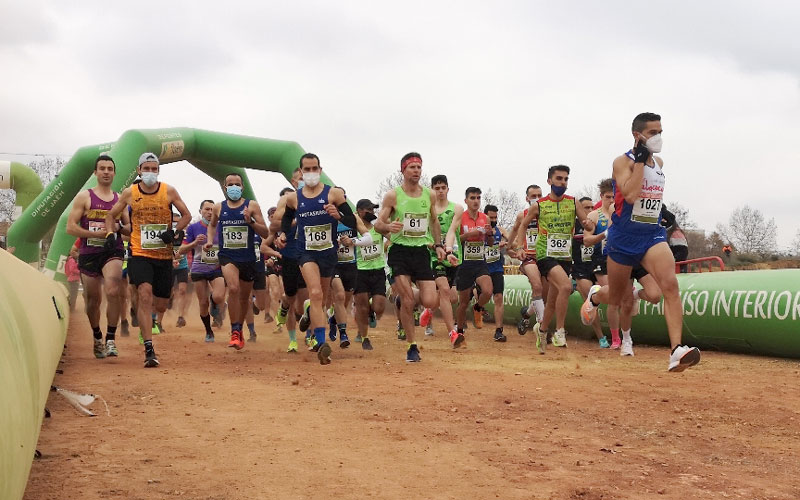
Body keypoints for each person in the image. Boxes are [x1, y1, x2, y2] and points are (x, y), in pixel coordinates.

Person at [580, 112, 701, 372]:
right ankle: (595, 296)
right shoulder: (621, 162)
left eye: (660, 132)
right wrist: (639, 163)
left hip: (651, 234)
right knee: (616, 298)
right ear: (638, 136)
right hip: (623, 237)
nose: (658, 137)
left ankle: (677, 350)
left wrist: (648, 162)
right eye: (653, 133)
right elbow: (632, 195)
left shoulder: (659, 161)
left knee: (670, 285)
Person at [105, 152, 191, 367]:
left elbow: (187, 215)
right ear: (139, 170)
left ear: (158, 171)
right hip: (140, 253)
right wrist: (109, 234)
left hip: (163, 255)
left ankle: (150, 318)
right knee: (144, 294)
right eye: (147, 168)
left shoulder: (168, 191)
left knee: (161, 304)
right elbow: (110, 216)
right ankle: (149, 350)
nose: (150, 172)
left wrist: (174, 231)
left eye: (154, 169)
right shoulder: (129, 193)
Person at [276, 153, 360, 365]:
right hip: (306, 253)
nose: (311, 173)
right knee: (314, 292)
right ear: (301, 172)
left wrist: (338, 215)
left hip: (328, 253)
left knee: (321, 298)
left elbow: (351, 221)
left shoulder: (334, 194)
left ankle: (310, 315)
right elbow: (286, 219)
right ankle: (322, 344)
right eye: (307, 169)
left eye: (315, 169)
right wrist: (284, 234)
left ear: (320, 170)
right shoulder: (294, 198)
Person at [374, 152, 451, 362]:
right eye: (412, 167)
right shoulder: (393, 196)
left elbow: (434, 222)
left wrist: (438, 245)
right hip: (399, 251)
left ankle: (405, 296)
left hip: (420, 252)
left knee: (430, 300)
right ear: (403, 170)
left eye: (419, 167)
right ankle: (411, 346)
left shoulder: (429, 195)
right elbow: (378, 224)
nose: (416, 171)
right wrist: (389, 226)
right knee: (408, 301)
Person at [513, 165, 594, 354]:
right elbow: (523, 226)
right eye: (559, 179)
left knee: (552, 299)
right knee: (566, 286)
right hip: (545, 255)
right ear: (549, 181)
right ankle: (560, 331)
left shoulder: (573, 202)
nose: (563, 183)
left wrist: (589, 224)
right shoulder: (539, 205)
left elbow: (586, 224)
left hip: (565, 256)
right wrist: (519, 247)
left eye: (566, 179)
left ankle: (541, 330)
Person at [66, 154, 128, 359]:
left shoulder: (120, 199)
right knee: (93, 300)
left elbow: (129, 228)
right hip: (90, 252)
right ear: (95, 172)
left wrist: (117, 228)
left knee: (113, 288)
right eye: (102, 168)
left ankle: (111, 339)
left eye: (110, 169)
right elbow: (71, 227)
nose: (106, 172)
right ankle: (97, 336)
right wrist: (95, 234)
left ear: (114, 173)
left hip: (113, 251)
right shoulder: (84, 197)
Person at [205, 172, 270, 350]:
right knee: (233, 288)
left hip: (247, 257)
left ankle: (239, 329)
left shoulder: (252, 206)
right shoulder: (219, 207)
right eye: (230, 184)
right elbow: (212, 225)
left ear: (242, 187)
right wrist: (210, 240)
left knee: (244, 299)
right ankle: (234, 331)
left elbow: (265, 233)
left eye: (237, 184)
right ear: (225, 188)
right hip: (228, 256)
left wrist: (251, 222)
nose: (234, 187)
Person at [340, 199, 389, 350]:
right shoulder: (353, 226)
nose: (372, 213)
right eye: (368, 210)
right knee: (361, 305)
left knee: (379, 306)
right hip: (359, 270)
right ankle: (365, 337)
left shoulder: (377, 226)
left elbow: (391, 237)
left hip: (378, 269)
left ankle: (371, 313)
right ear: (360, 211)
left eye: (373, 210)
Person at [449, 187, 494, 347]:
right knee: (463, 302)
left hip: (480, 261)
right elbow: (454, 239)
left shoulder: (485, 218)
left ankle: (478, 307)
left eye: (478, 198)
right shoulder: (460, 218)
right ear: (466, 200)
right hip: (465, 263)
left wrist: (489, 234)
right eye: (473, 198)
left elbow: (489, 243)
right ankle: (459, 331)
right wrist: (469, 235)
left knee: (488, 290)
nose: (476, 201)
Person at [418, 174, 461, 339]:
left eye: (443, 187)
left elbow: (452, 231)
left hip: (453, 256)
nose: (441, 191)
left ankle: (429, 309)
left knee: (453, 297)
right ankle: (453, 333)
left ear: (448, 189)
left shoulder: (457, 209)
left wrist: (448, 249)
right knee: (443, 289)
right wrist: (434, 246)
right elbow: (422, 234)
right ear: (432, 191)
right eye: (437, 188)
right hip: (433, 257)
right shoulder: (427, 210)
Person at [180, 199, 226, 342]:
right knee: (202, 302)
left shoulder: (221, 227)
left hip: (216, 267)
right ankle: (208, 331)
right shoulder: (193, 228)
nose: (210, 212)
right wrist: (195, 243)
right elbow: (182, 249)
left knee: (219, 296)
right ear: (201, 211)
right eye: (207, 209)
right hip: (198, 268)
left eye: (212, 209)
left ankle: (215, 304)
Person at [507, 184, 546, 336]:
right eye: (533, 196)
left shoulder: (547, 214)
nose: (537, 199)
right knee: (537, 286)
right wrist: (510, 247)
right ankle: (543, 327)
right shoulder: (522, 215)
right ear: (527, 198)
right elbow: (515, 230)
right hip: (528, 256)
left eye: (539, 195)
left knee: (544, 295)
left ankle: (526, 315)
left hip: (545, 256)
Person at [571, 196, 609, 348]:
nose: (590, 210)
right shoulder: (573, 225)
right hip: (580, 269)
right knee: (590, 300)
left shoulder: (598, 223)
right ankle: (601, 337)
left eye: (592, 207)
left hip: (597, 265)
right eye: (586, 208)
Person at [483, 204, 508, 342]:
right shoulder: (480, 230)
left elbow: (511, 239)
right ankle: (478, 308)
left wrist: (507, 242)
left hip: (497, 268)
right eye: (491, 217)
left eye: (495, 217)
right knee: (478, 294)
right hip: (482, 269)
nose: (493, 220)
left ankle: (499, 330)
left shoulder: (501, 230)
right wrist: (495, 245)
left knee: (498, 297)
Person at [170, 212, 190, 328]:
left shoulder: (186, 235)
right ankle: (169, 300)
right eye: (173, 222)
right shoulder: (167, 235)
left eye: (178, 222)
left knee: (183, 290)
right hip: (169, 266)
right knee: (169, 293)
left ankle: (181, 317)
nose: (175, 225)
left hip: (183, 266)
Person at [65, 244, 81, 311]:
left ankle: (71, 307)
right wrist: (80, 272)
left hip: (72, 279)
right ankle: (71, 309)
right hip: (73, 280)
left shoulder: (70, 260)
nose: (77, 254)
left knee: (72, 294)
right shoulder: (72, 260)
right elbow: (72, 269)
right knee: (73, 295)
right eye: (76, 252)